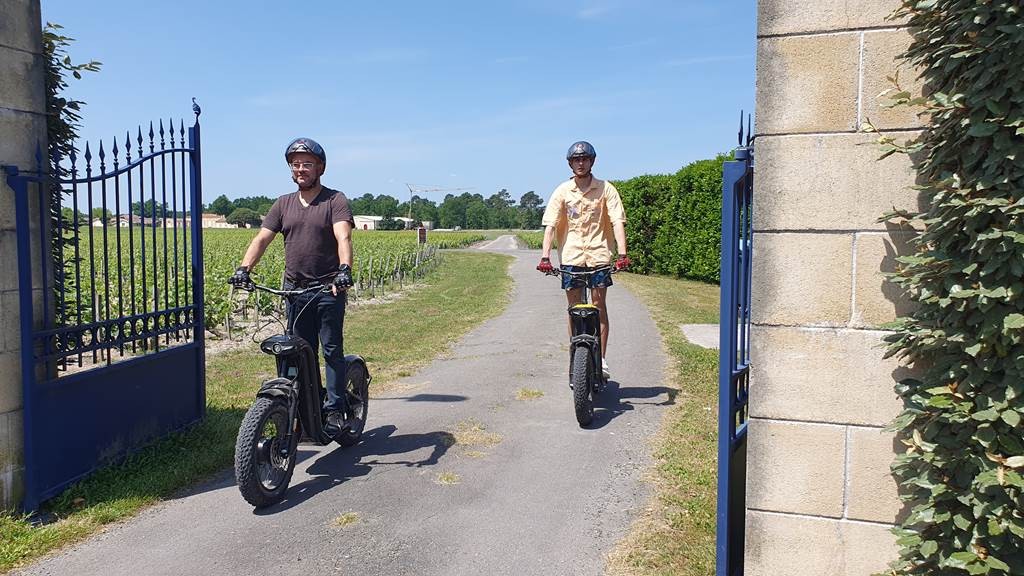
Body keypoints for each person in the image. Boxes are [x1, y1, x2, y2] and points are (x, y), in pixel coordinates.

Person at [228, 137, 356, 433]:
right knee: (298, 350)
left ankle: (335, 409)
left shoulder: (334, 200)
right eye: (295, 164)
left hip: (328, 289)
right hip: (295, 291)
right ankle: (299, 409)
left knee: (330, 350)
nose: (301, 169)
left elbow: (343, 238)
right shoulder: (283, 204)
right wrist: (244, 268)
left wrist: (344, 270)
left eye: (307, 164)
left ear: (320, 168)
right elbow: (261, 239)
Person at [537, 140, 630, 379]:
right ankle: (575, 356)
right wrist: (545, 256)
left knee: (599, 307)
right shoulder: (562, 191)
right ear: (570, 163)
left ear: (592, 161)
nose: (581, 163)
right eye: (576, 160)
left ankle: (602, 359)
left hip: (599, 256)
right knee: (574, 308)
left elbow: (617, 221)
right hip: (572, 256)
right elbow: (550, 225)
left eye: (585, 159)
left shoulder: (606, 189)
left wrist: (622, 254)